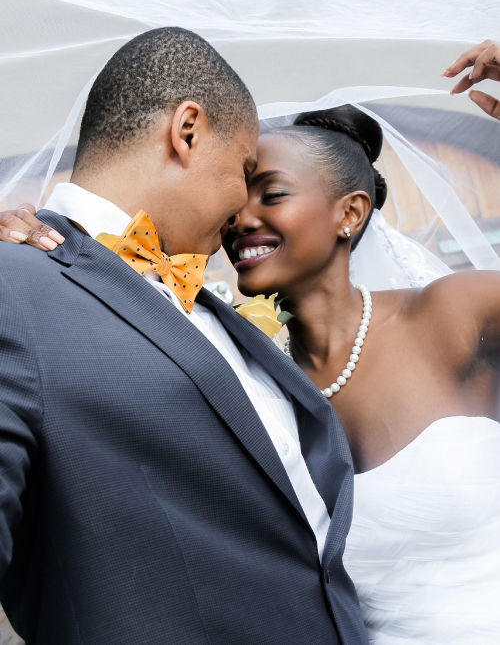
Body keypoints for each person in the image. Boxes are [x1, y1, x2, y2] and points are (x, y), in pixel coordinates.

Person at [6, 38, 500, 643]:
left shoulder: (447, 314)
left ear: (350, 213)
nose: (242, 211)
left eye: (268, 188)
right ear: (186, 133)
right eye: (244, 178)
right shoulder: (29, 281)